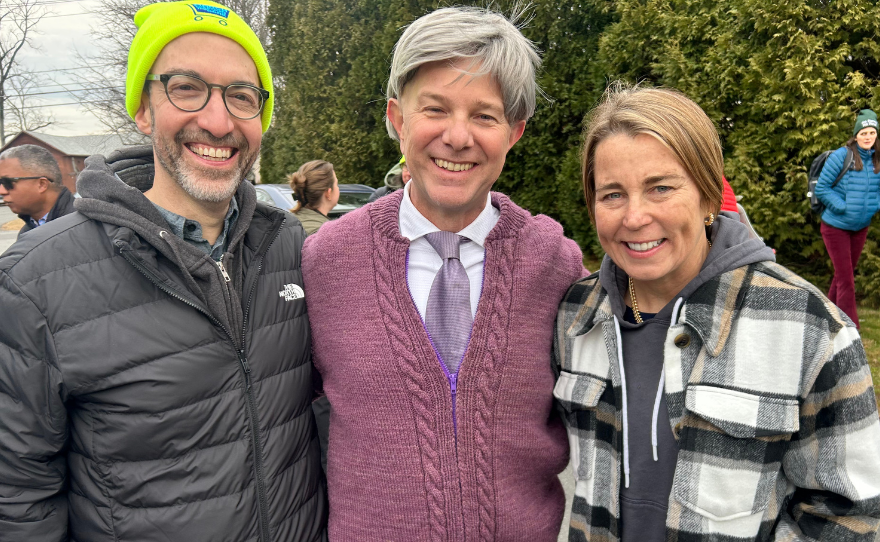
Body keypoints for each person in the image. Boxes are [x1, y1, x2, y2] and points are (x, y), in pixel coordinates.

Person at [0, 2, 327, 540]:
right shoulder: (36, 280)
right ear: (144, 109)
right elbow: (17, 496)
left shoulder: (289, 246)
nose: (218, 121)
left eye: (242, 96)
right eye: (186, 87)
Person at [302, 6, 586, 540]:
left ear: (514, 133)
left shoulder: (555, 264)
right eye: (435, 108)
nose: (458, 137)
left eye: (485, 115)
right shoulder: (326, 261)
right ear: (397, 118)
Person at [554, 83, 880, 542]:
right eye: (612, 194)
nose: (634, 217)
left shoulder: (810, 327)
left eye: (661, 187)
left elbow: (854, 516)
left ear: (709, 197)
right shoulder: (575, 316)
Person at [815, 108, 880, 329]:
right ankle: (849, 328)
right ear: (856, 135)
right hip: (836, 227)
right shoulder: (842, 156)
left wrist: (874, 206)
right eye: (864, 133)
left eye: (872, 132)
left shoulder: (877, 158)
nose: (868, 137)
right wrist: (844, 207)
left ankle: (825, 316)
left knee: (843, 275)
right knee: (846, 280)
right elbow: (822, 188)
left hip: (860, 227)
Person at [0, 144, 74, 237]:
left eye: (8, 182)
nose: (2, 191)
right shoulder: (26, 232)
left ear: (42, 184)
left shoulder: (84, 228)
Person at [289, 159, 340, 235]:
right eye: (336, 184)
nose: (338, 188)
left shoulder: (288, 221)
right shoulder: (325, 234)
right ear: (328, 193)